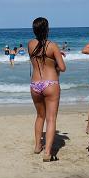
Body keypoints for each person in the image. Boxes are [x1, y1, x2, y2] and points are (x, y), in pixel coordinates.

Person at [28, 17, 66, 162]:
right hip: (50, 84)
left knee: (40, 116)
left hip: (35, 85)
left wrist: (53, 57)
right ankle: (47, 153)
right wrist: (57, 58)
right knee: (51, 119)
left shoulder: (30, 44)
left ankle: (38, 146)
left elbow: (38, 57)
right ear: (47, 29)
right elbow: (62, 68)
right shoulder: (53, 46)